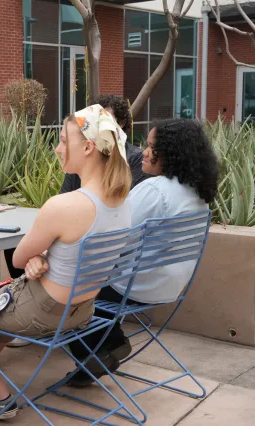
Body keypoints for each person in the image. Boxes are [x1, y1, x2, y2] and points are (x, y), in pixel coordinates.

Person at [0, 105, 133, 422]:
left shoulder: (64, 205)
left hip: (40, 309)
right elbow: (72, 250)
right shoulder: (122, 201)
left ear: (87, 147)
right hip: (83, 309)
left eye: (62, 140)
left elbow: (17, 258)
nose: (57, 148)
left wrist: (38, 257)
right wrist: (44, 257)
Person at [66, 118, 219, 387]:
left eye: (151, 147)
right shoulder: (196, 192)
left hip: (133, 286)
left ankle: (103, 348)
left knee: (65, 285)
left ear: (171, 154)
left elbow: (112, 236)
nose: (144, 152)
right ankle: (104, 347)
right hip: (169, 286)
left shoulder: (154, 190)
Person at [3, 94, 149, 348]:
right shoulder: (83, 172)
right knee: (28, 255)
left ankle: (94, 342)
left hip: (96, 275)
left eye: (106, 119)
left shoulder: (126, 166)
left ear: (121, 124)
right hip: (88, 271)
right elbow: (67, 209)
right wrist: (42, 254)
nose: (101, 125)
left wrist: (42, 254)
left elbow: (91, 217)